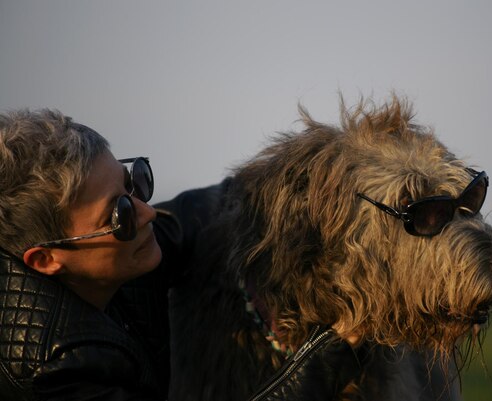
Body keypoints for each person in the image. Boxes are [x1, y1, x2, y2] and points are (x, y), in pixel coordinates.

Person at [0, 109, 361, 401]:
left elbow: (204, 209)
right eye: (119, 215)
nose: (147, 213)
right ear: (45, 260)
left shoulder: (121, 250)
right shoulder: (51, 375)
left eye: (135, 184)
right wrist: (331, 350)